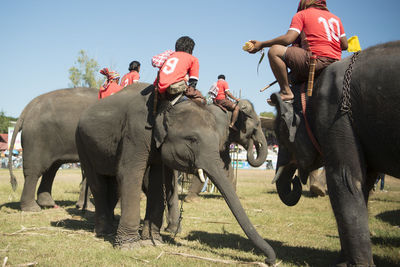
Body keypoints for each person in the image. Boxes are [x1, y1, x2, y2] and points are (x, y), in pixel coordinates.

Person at [247, 0, 348, 102]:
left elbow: (288, 39)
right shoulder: (336, 19)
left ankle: (286, 92)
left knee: (274, 51)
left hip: (316, 62)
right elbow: (344, 45)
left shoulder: (302, 14)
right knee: (291, 76)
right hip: (335, 63)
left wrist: (262, 44)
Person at [154, 36, 205, 104]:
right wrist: (191, 91)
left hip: (159, 87)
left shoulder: (170, 55)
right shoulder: (193, 59)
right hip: (173, 88)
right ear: (191, 49)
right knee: (201, 99)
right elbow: (193, 79)